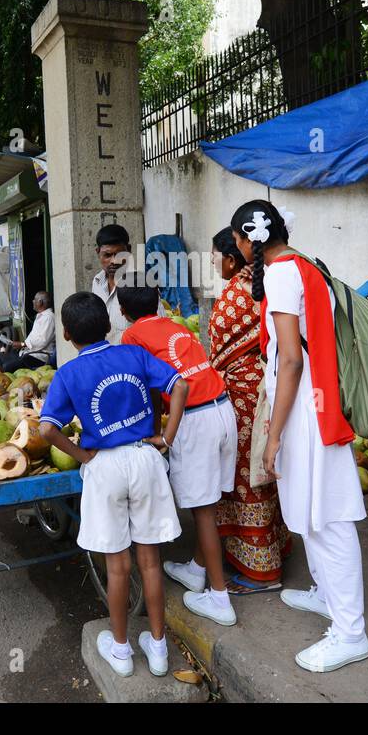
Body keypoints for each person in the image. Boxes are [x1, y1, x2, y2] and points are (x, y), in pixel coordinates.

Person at [231, 199, 368, 673]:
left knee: (327, 518)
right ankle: (327, 595)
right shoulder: (306, 264)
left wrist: (273, 435)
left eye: (236, 241)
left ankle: (351, 633)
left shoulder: (280, 274)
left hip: (307, 413)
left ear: (247, 240)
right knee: (314, 512)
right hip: (316, 403)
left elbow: (290, 359)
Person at [39, 292, 189, 678]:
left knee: (118, 567)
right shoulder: (133, 355)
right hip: (145, 458)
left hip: (104, 466)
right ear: (109, 325)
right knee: (150, 561)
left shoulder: (68, 373)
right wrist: (167, 437)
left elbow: (46, 430)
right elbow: (180, 386)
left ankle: (120, 650)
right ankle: (158, 650)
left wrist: (83, 456)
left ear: (68, 333)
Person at [118, 276, 239, 627]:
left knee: (202, 511)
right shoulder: (172, 325)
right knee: (209, 503)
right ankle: (197, 571)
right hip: (223, 409)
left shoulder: (131, 336)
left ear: (123, 311)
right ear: (158, 301)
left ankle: (220, 599)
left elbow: (151, 391)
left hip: (195, 418)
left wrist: (158, 434)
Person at [209, 227, 292, 594]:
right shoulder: (266, 282)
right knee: (262, 472)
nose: (212, 263)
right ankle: (273, 548)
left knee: (246, 478)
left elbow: (217, 353)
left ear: (232, 257)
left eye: (214, 256)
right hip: (266, 391)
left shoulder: (234, 295)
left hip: (243, 400)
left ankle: (263, 571)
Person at [0, 291, 56, 372]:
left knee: (7, 367)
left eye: (35, 299)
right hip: (29, 353)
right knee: (0, 358)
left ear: (40, 302)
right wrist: (22, 345)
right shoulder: (41, 316)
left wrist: (23, 344)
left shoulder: (49, 318)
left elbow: (42, 341)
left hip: (38, 357)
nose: (33, 301)